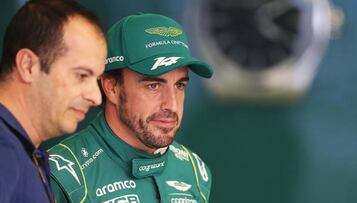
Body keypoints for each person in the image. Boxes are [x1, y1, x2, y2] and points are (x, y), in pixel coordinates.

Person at [48, 13, 213, 203]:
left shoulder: (194, 171)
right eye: (153, 86)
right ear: (112, 88)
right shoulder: (61, 176)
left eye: (179, 86)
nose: (172, 105)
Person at [0, 0, 107, 202]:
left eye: (96, 79)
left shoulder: (27, 151)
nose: (96, 97)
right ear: (28, 65)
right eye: (82, 75)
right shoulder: (4, 150)